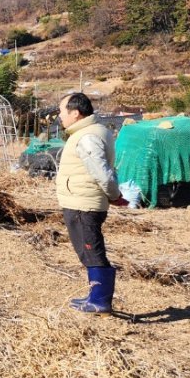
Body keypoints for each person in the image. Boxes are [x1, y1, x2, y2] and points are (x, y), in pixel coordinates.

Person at [56, 92, 127, 314]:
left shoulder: (87, 136)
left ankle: (100, 300)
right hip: (80, 201)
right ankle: (94, 295)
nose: (60, 116)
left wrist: (114, 195)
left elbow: (102, 172)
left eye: (62, 111)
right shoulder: (89, 132)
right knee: (88, 251)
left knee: (92, 251)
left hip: (83, 204)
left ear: (76, 113)